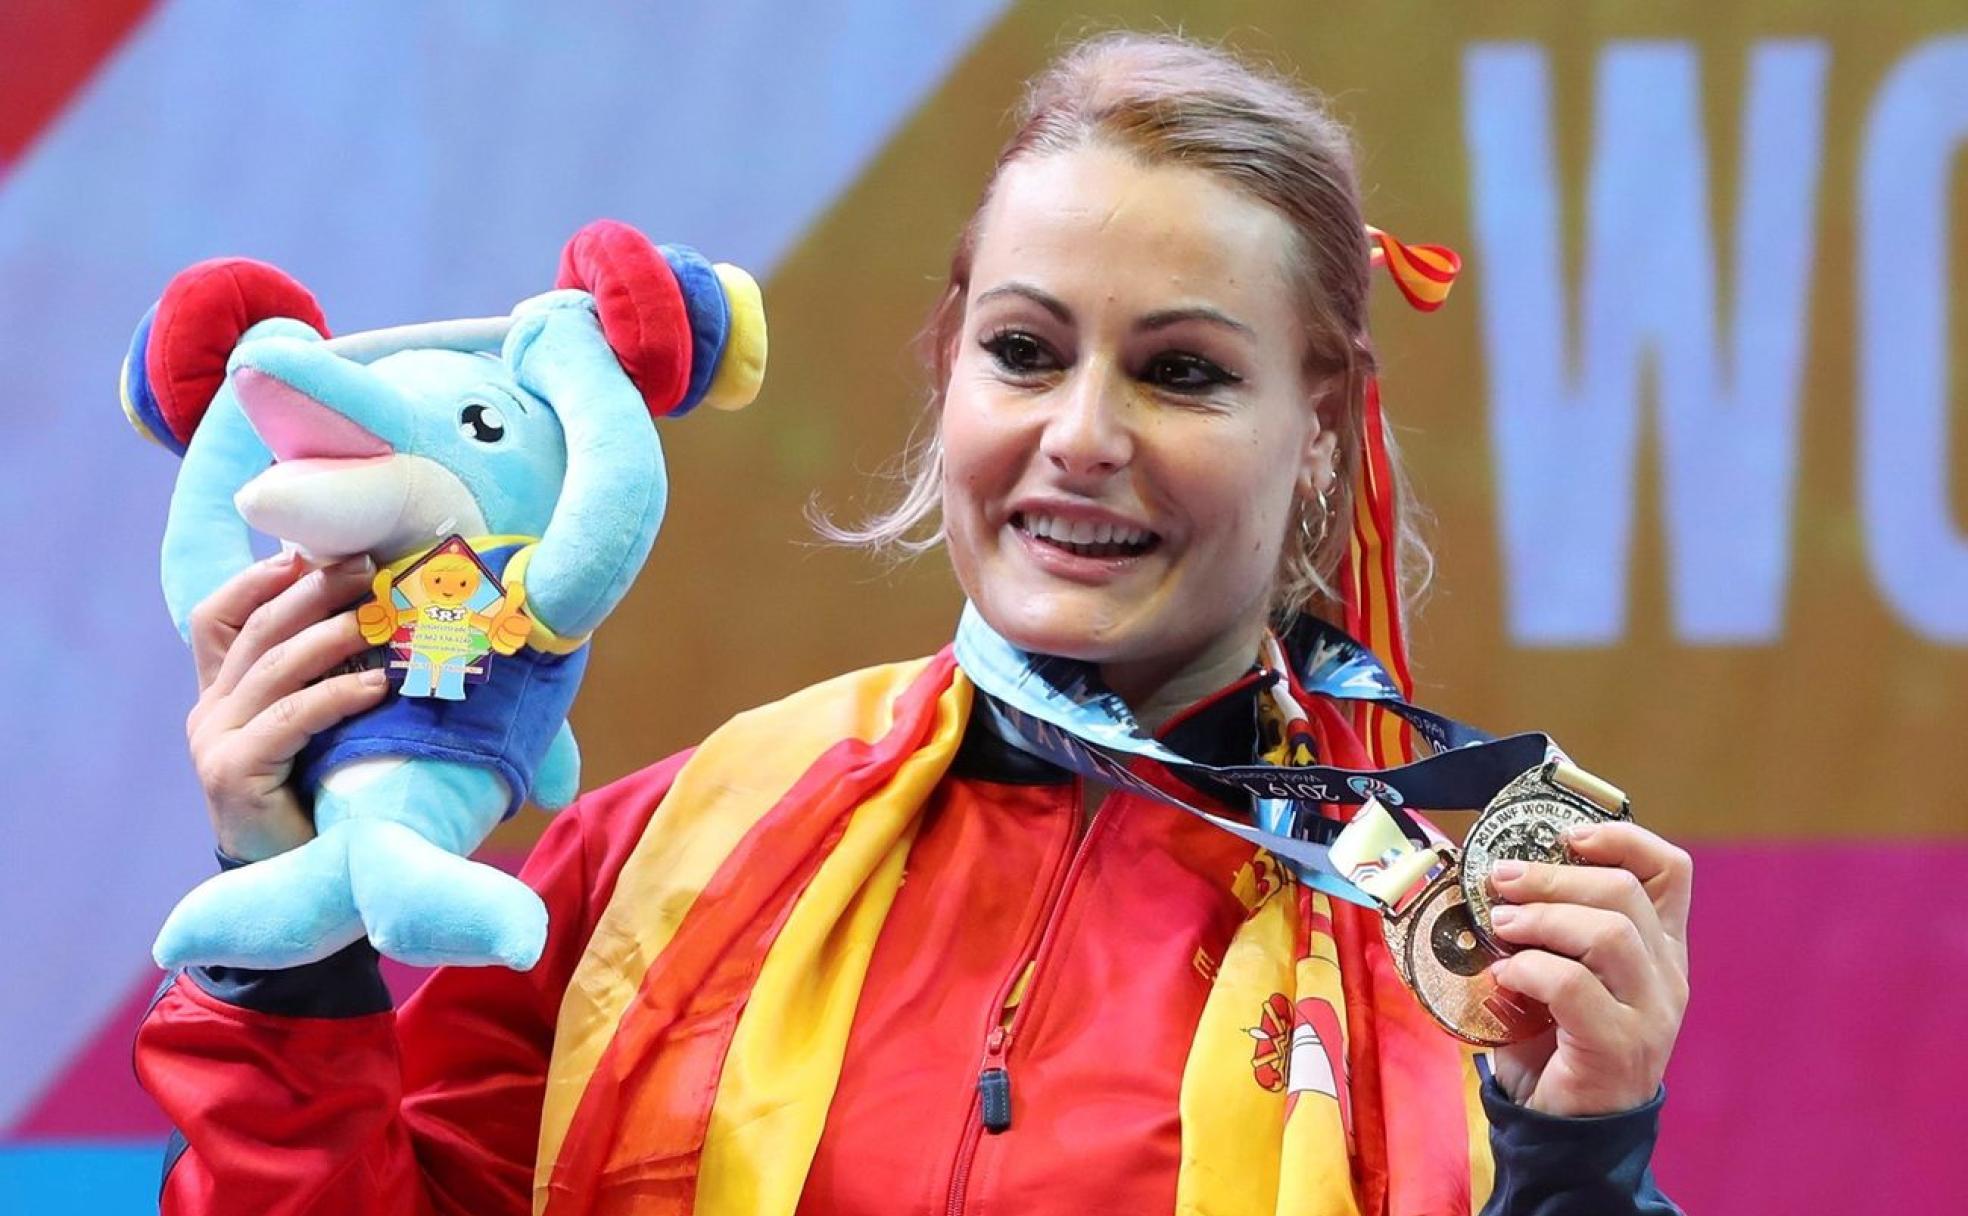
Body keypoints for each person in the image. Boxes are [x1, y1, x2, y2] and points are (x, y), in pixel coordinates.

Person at [136, 31, 1689, 1216]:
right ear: (950, 369)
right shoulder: (662, 854)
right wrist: (293, 938)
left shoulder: (1458, 953)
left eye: (1184, 371)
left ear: (1326, 424)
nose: (1083, 433)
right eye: (1026, 349)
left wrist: (1576, 1170)